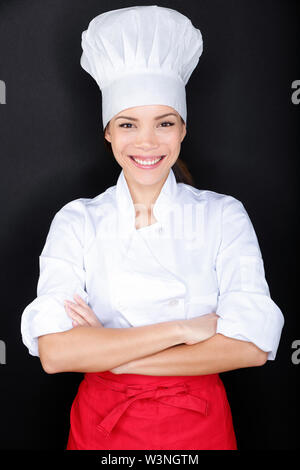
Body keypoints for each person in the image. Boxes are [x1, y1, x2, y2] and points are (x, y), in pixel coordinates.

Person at [20, 5, 285, 450]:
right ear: (108, 132)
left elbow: (251, 347)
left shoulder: (223, 215)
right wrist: (183, 331)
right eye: (128, 125)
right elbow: (56, 354)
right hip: (103, 426)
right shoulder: (78, 220)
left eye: (164, 123)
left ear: (182, 129)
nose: (146, 143)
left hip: (198, 424)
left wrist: (112, 351)